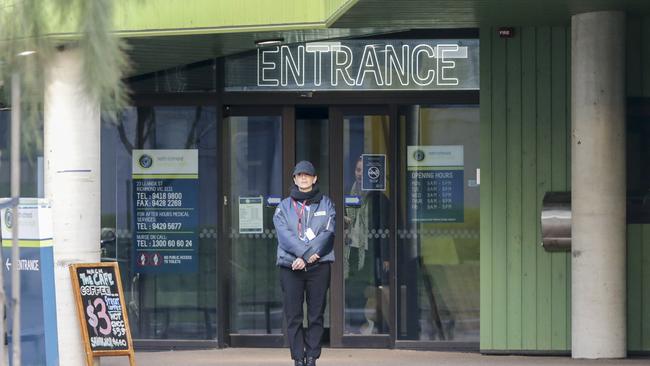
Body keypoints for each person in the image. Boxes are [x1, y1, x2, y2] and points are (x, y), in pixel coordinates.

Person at [273, 160, 335, 366]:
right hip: (291, 267)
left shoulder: (326, 203)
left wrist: (307, 257)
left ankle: (312, 357)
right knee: (294, 315)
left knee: (316, 314)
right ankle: (298, 357)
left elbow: (327, 233)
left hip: (319, 267)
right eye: (299, 175)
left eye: (307, 175)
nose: (303, 178)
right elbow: (285, 236)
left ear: (314, 178)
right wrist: (304, 255)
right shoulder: (283, 207)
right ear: (294, 179)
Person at [344, 157, 390, 334]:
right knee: (350, 288)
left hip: (371, 252)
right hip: (351, 251)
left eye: (364, 171)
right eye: (357, 170)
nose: (360, 174)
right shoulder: (350, 195)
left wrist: (387, 256)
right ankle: (358, 325)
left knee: (359, 288)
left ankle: (367, 326)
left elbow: (387, 230)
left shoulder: (380, 199)